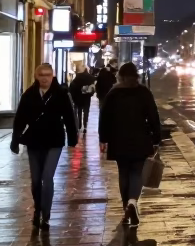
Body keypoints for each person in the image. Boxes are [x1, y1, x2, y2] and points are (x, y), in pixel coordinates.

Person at [11, 63, 79, 228]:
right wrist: (15, 138)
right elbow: (20, 117)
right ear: (36, 76)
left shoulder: (61, 94)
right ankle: (37, 209)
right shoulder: (29, 94)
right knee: (35, 180)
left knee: (47, 177)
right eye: (41, 74)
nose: (45, 78)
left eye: (48, 75)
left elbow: (69, 116)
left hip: (54, 140)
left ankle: (46, 214)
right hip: (34, 141)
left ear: (52, 76)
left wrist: (72, 138)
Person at [98, 62, 163, 228]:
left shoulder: (114, 93)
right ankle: (133, 202)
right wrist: (156, 139)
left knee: (123, 172)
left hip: (118, 139)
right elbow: (154, 117)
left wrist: (103, 139)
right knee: (137, 172)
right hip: (140, 138)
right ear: (136, 75)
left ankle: (126, 207)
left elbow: (104, 117)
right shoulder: (143, 92)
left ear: (120, 75)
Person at [70, 64, 95, 130]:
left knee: (79, 111)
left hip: (78, 97)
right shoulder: (90, 77)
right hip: (87, 97)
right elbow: (93, 87)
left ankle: (79, 125)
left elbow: (72, 87)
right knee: (86, 111)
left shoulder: (77, 77)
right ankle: (85, 125)